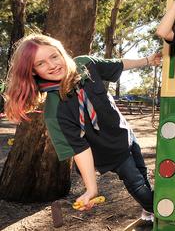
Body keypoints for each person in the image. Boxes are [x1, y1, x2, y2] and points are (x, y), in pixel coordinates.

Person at [2, 34, 160, 227]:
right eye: (41, 63)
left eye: (54, 56)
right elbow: (79, 149)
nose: (52, 65)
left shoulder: (85, 64)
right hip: (109, 152)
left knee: (142, 172)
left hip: (124, 133)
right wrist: (91, 188)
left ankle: (148, 207)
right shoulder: (55, 112)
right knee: (136, 183)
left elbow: (118, 64)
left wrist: (148, 60)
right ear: (32, 71)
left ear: (62, 53)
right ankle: (159, 212)